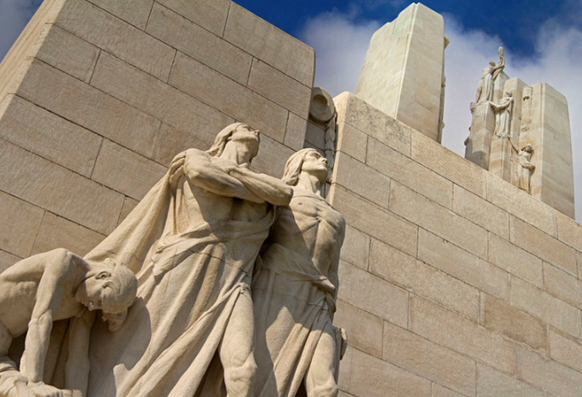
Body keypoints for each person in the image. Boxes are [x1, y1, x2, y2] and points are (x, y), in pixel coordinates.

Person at [82, 123, 293, 397]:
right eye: (246, 127)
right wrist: (254, 187)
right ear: (226, 136)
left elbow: (284, 193)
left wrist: (232, 176)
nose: (257, 131)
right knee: (144, 355)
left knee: (245, 369)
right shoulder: (198, 156)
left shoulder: (263, 182)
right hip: (186, 263)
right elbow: (201, 174)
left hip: (235, 283)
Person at [252, 148, 346, 397]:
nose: (323, 160)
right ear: (298, 164)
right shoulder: (283, 196)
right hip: (277, 285)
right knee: (262, 373)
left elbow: (333, 270)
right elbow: (255, 241)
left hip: (318, 298)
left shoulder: (337, 218)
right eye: (315, 156)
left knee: (326, 388)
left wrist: (331, 310)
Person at [0, 249, 137, 397]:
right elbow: (40, 321)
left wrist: (77, 393)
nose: (93, 306)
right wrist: (35, 382)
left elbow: (78, 358)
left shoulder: (83, 307)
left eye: (100, 307)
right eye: (99, 300)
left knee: (23, 393)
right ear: (102, 276)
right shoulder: (63, 263)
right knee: (27, 391)